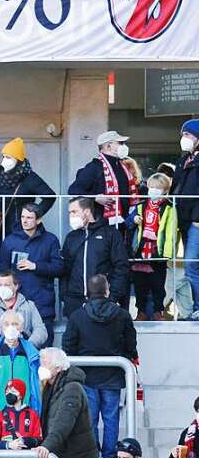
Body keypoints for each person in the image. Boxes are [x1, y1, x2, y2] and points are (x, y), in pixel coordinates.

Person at [63, 274, 137, 458]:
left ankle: (92, 454)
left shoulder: (78, 316)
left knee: (90, 417)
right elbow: (131, 342)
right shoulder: (121, 315)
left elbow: (68, 345)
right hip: (113, 374)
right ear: (107, 290)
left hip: (87, 376)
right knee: (111, 417)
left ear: (87, 292)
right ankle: (111, 456)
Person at [0, 204, 62, 346]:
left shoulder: (50, 240)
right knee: (17, 352)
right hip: (16, 305)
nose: (24, 221)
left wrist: (36, 266)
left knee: (44, 351)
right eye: (22, 217)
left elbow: (59, 268)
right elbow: (1, 270)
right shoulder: (10, 241)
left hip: (42, 305)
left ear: (38, 220)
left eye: (29, 218)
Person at [0, 311, 43, 447]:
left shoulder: (31, 354)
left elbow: (35, 386)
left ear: (22, 328)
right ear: (1, 326)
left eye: (15, 324)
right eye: (6, 324)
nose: (11, 327)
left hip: (25, 416)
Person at [61, 197, 130, 314]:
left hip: (102, 302)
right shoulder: (71, 237)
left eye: (74, 212)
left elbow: (121, 267)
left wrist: (112, 298)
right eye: (69, 213)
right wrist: (65, 297)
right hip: (74, 303)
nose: (71, 216)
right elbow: (65, 269)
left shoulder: (110, 233)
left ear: (87, 211)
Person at [127, 172, 176, 320]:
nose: (153, 190)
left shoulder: (169, 207)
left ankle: (158, 311)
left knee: (158, 285)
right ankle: (141, 311)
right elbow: (128, 222)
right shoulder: (141, 205)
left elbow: (171, 231)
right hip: (140, 250)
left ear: (165, 190)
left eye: (157, 188)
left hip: (157, 250)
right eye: (151, 187)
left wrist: (167, 252)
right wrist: (134, 219)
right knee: (140, 283)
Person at [69, 131, 138, 230]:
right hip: (102, 224)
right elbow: (74, 190)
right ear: (108, 146)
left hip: (124, 223)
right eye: (120, 143)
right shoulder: (94, 167)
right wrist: (95, 197)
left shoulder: (121, 165)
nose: (124, 146)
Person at [0, 138, 55, 240]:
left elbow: (50, 196)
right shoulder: (2, 176)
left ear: (18, 160)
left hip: (23, 228)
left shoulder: (30, 177)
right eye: (3, 157)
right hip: (3, 228)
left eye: (8, 157)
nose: (4, 161)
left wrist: (34, 214)